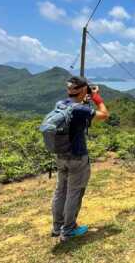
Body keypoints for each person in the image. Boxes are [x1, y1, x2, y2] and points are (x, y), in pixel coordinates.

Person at [51, 76, 109, 241]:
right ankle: (68, 230)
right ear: (83, 89)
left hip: (61, 155)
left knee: (60, 190)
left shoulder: (60, 104)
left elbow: (77, 113)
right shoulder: (80, 109)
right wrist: (97, 98)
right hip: (77, 157)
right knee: (74, 192)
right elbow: (104, 115)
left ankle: (57, 226)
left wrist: (85, 98)